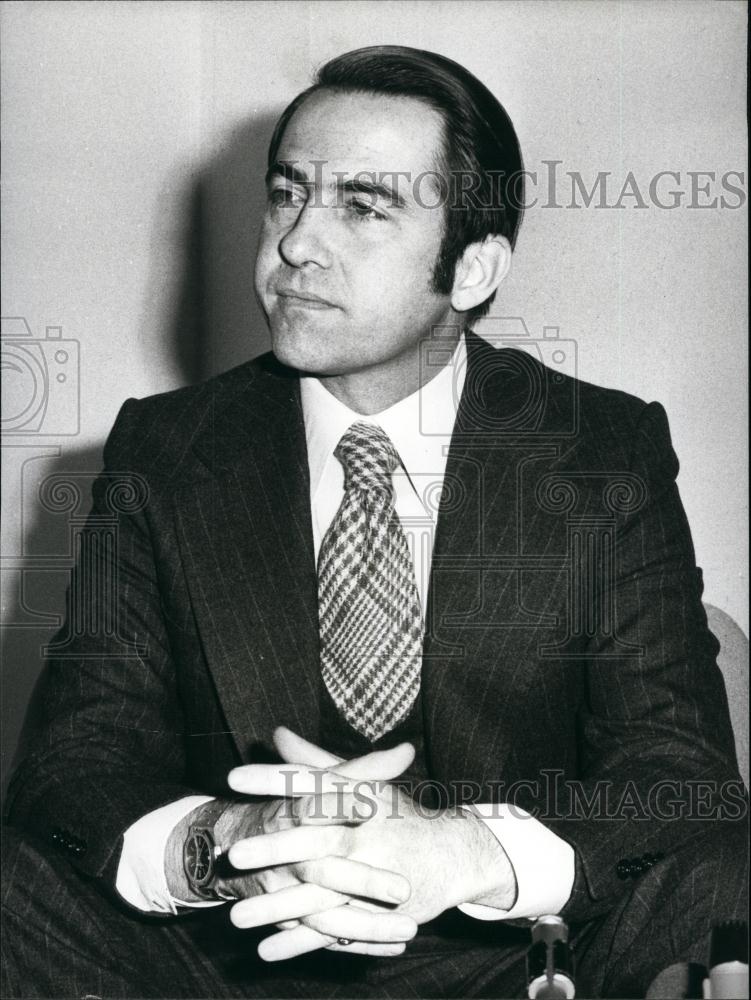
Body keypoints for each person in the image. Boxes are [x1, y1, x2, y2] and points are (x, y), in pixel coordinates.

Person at [2, 45, 746, 1000]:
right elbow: (73, 762)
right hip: (236, 956)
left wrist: (461, 851)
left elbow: (676, 767)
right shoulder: (167, 449)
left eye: (362, 206)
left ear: (472, 266)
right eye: (286, 196)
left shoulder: (600, 448)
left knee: (726, 870)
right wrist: (224, 844)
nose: (295, 244)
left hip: (514, 960)